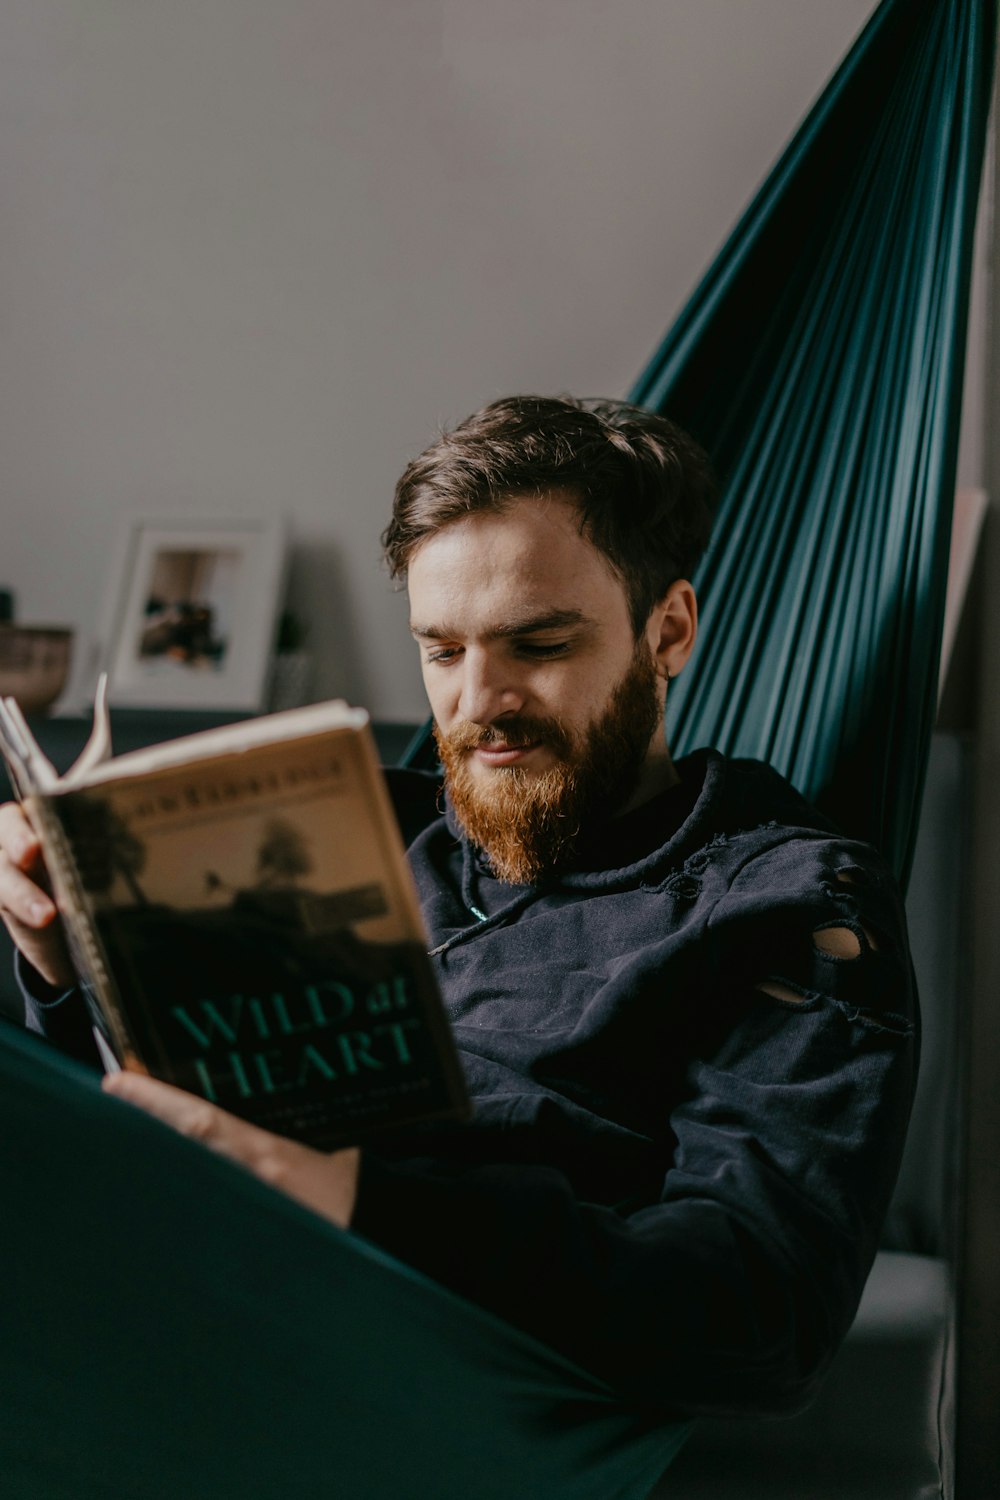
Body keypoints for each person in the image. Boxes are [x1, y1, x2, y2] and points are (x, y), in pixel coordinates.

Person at [0, 395, 917, 1415]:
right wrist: (56, 965)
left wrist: (348, 1196)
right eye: (442, 650)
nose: (478, 700)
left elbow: (757, 1305)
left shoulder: (787, 904)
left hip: (412, 1383)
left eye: (538, 644)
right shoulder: (364, 825)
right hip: (181, 1286)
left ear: (668, 631)